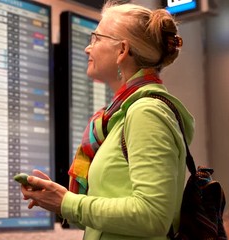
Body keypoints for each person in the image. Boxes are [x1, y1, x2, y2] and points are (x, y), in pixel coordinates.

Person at [21, 1, 194, 239]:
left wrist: (68, 203)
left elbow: (152, 216)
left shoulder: (147, 113)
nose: (87, 48)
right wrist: (57, 198)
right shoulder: (120, 116)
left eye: (96, 38)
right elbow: (113, 222)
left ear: (122, 51)